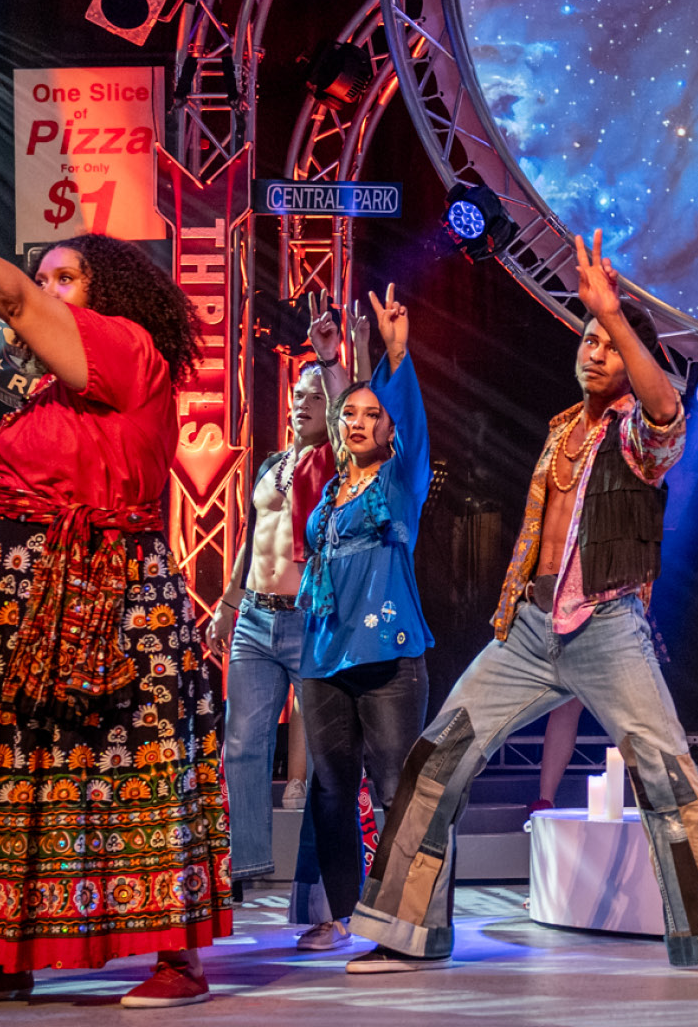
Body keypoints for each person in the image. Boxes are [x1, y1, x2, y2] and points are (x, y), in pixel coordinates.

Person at [347, 232, 698, 977]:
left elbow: (668, 411)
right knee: (436, 757)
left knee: (668, 775)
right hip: (528, 628)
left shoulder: (635, 432)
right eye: (589, 340)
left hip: (606, 627)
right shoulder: (560, 429)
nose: (596, 353)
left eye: (609, 344)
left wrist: (612, 311)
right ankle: (405, 931)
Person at [0, 161, 228, 1009]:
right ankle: (9, 948)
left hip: (111, 589)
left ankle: (176, 958)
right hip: (26, 589)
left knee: (130, 759)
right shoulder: (49, 390)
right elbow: (19, 477)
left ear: (107, 293)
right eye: (44, 279)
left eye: (64, 278)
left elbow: (7, 298)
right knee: (15, 764)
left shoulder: (126, 350)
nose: (45, 292)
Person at [297, 285, 433, 952]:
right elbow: (345, 406)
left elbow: (404, 418)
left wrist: (395, 354)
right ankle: (346, 913)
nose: (356, 422)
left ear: (388, 429)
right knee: (330, 791)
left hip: (387, 656)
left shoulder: (400, 484)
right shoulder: (332, 490)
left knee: (394, 791)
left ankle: (402, 920)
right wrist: (331, 361)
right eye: (347, 414)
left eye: (370, 415)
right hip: (323, 657)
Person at [209, 302, 357, 915]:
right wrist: (228, 603)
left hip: (309, 621)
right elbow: (252, 539)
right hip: (254, 618)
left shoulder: (337, 461)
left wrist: (330, 361)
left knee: (326, 758)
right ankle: (243, 867)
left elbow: (347, 413)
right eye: (298, 397)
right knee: (241, 745)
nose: (303, 406)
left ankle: (320, 888)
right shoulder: (273, 464)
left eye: (315, 398)